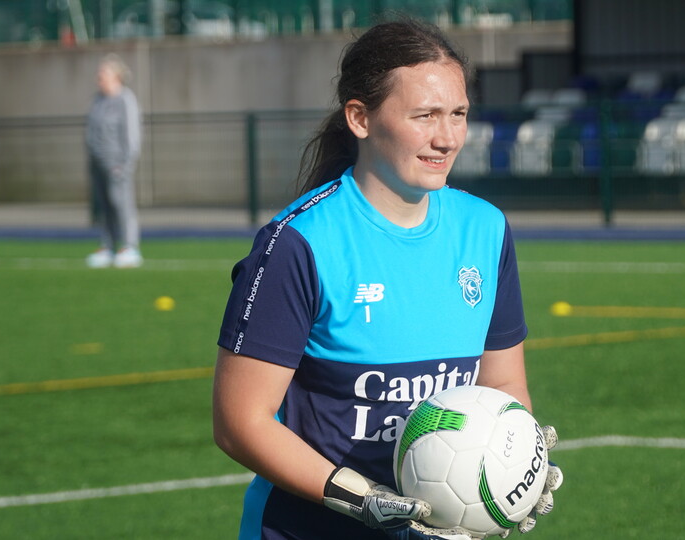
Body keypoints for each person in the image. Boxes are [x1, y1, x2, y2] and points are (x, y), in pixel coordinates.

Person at [213, 19, 562, 540]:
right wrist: (360, 498)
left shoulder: (485, 229)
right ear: (360, 118)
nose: (446, 138)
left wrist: (514, 459)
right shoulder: (298, 243)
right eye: (425, 116)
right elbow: (239, 422)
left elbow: (504, 383)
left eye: (459, 115)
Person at [84, 53, 143, 269]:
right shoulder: (98, 99)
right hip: (97, 164)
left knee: (122, 205)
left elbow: (132, 136)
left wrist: (125, 164)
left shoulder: (125, 99)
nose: (99, 77)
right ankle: (107, 246)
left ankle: (130, 246)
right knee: (104, 206)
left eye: (103, 73)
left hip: (117, 164)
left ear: (116, 76)